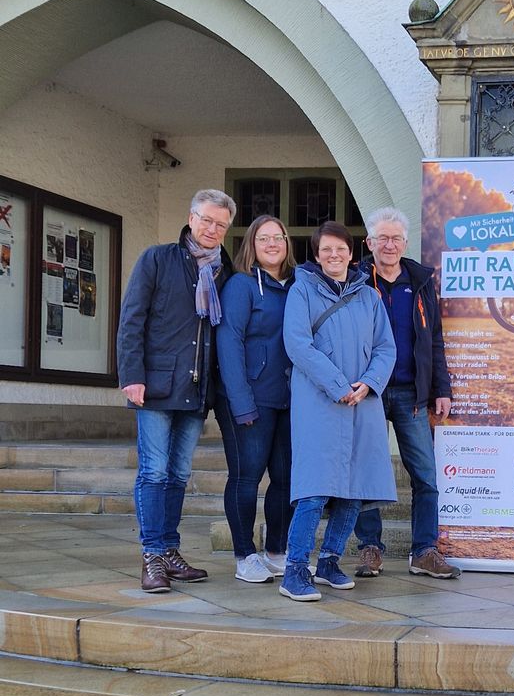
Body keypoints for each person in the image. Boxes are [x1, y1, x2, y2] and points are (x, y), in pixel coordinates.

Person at [117, 189, 235, 593]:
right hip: (154, 384)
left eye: (220, 224)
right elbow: (132, 318)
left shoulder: (226, 271)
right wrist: (131, 374)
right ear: (191, 217)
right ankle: (152, 555)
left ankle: (169, 549)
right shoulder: (158, 258)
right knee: (153, 471)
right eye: (206, 220)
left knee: (179, 475)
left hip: (196, 389)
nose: (212, 229)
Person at [280, 220, 397, 602]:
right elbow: (297, 345)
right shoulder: (302, 291)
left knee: (353, 489)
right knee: (314, 489)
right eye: (326, 249)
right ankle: (295, 569)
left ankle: (329, 560)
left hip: (362, 403)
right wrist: (338, 384)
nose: (334, 255)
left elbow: (386, 348)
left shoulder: (369, 296)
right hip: (320, 403)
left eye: (341, 248)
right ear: (316, 254)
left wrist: (369, 382)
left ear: (351, 252)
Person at [351, 208, 460, 580]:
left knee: (426, 475)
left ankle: (424, 551)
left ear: (405, 243)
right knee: (365, 471)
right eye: (382, 238)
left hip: (412, 393)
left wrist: (441, 388)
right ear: (369, 243)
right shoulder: (356, 281)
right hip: (367, 391)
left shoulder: (421, 281)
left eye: (396, 238)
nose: (390, 244)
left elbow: (435, 340)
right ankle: (370, 547)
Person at [214, 215, 294, 584]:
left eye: (278, 237)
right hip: (250, 399)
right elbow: (228, 343)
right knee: (246, 477)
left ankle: (276, 551)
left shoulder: (297, 285)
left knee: (285, 478)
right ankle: (244, 554)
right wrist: (241, 402)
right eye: (264, 238)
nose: (272, 243)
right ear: (252, 244)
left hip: (288, 399)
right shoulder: (241, 286)